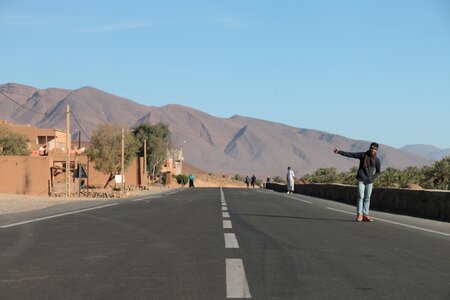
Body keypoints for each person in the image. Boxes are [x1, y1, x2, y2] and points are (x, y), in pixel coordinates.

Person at [333, 142, 381, 222]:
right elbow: (351, 154)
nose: (373, 150)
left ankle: (365, 215)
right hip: (361, 180)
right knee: (360, 197)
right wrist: (339, 152)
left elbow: (378, 171)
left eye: (375, 149)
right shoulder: (363, 155)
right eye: (372, 148)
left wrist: (372, 178)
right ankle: (359, 214)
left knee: (367, 198)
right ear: (370, 148)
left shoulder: (377, 160)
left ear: (376, 150)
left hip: (369, 182)